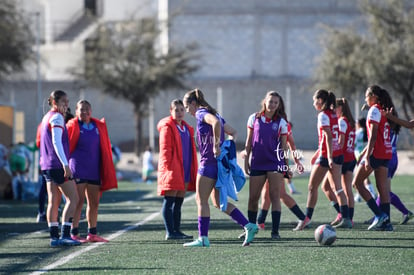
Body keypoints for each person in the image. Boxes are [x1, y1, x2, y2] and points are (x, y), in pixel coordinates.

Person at [182, 88, 258, 247]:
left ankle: (203, 238)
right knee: (218, 203)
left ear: (193, 104)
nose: (187, 111)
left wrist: (216, 146)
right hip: (218, 166)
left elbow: (216, 124)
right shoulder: (215, 114)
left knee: (200, 200)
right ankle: (248, 226)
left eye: (187, 107)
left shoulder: (201, 113)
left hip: (208, 164)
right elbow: (233, 133)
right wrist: (225, 147)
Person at [243, 91, 305, 240]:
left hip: (275, 164)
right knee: (253, 198)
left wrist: (286, 167)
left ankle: (275, 232)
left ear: (278, 105)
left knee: (275, 197)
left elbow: (284, 148)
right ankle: (250, 230)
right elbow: (249, 142)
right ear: (265, 101)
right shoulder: (254, 118)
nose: (272, 105)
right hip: (257, 163)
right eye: (270, 101)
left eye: (275, 103)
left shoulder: (282, 123)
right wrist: (246, 161)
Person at [295, 89, 352, 230]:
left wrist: (329, 157)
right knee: (337, 188)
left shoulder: (323, 115)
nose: (313, 103)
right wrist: (318, 153)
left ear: (320, 101)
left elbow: (328, 136)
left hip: (328, 155)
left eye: (314, 100)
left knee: (312, 187)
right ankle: (346, 219)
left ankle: (306, 219)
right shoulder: (333, 114)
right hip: (337, 153)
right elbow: (329, 136)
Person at [67, 99, 118, 243]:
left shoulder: (98, 126)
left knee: (94, 203)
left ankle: (92, 233)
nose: (84, 112)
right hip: (77, 168)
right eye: (81, 109)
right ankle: (74, 232)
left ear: (91, 110)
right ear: (76, 112)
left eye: (87, 109)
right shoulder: (73, 125)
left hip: (94, 170)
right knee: (78, 201)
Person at [39, 90, 81, 247]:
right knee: (74, 199)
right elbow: (56, 142)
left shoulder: (46, 117)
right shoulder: (57, 117)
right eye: (64, 101)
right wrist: (65, 164)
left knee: (53, 201)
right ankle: (64, 235)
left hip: (47, 165)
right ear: (54, 102)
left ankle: (54, 237)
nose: (67, 105)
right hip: (57, 165)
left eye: (68, 101)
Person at [352, 85, 393, 231]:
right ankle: (387, 224)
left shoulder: (374, 110)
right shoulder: (383, 110)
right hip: (386, 153)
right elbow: (375, 136)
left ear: (374, 96)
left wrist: (367, 157)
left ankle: (379, 215)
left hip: (377, 153)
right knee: (382, 189)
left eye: (366, 96)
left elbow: (374, 136)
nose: (365, 99)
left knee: (357, 183)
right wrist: (363, 153)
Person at [364, 103, 413, 225]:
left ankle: (385, 214)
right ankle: (380, 215)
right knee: (384, 189)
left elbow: (376, 136)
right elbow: (409, 124)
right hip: (392, 157)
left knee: (383, 190)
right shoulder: (393, 126)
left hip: (387, 156)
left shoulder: (385, 125)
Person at [157, 99, 198, 240]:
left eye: (182, 110)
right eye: (176, 110)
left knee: (179, 202)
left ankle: (177, 230)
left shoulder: (186, 128)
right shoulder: (167, 127)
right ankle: (170, 232)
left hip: (185, 168)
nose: (179, 113)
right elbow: (165, 149)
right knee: (169, 201)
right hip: (173, 169)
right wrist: (168, 168)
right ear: (171, 111)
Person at [320, 98, 356, 226]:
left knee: (339, 189)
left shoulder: (342, 121)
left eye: (335, 108)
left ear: (340, 108)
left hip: (342, 159)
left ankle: (345, 216)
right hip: (351, 157)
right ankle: (346, 216)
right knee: (337, 188)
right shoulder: (350, 121)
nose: (333, 111)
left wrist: (332, 154)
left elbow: (340, 142)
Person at [353, 118, 377, 202]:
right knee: (362, 177)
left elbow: (353, 143)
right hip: (365, 153)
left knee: (361, 177)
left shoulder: (358, 132)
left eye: (356, 123)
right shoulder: (366, 131)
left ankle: (371, 193)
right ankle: (359, 195)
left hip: (359, 154)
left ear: (359, 123)